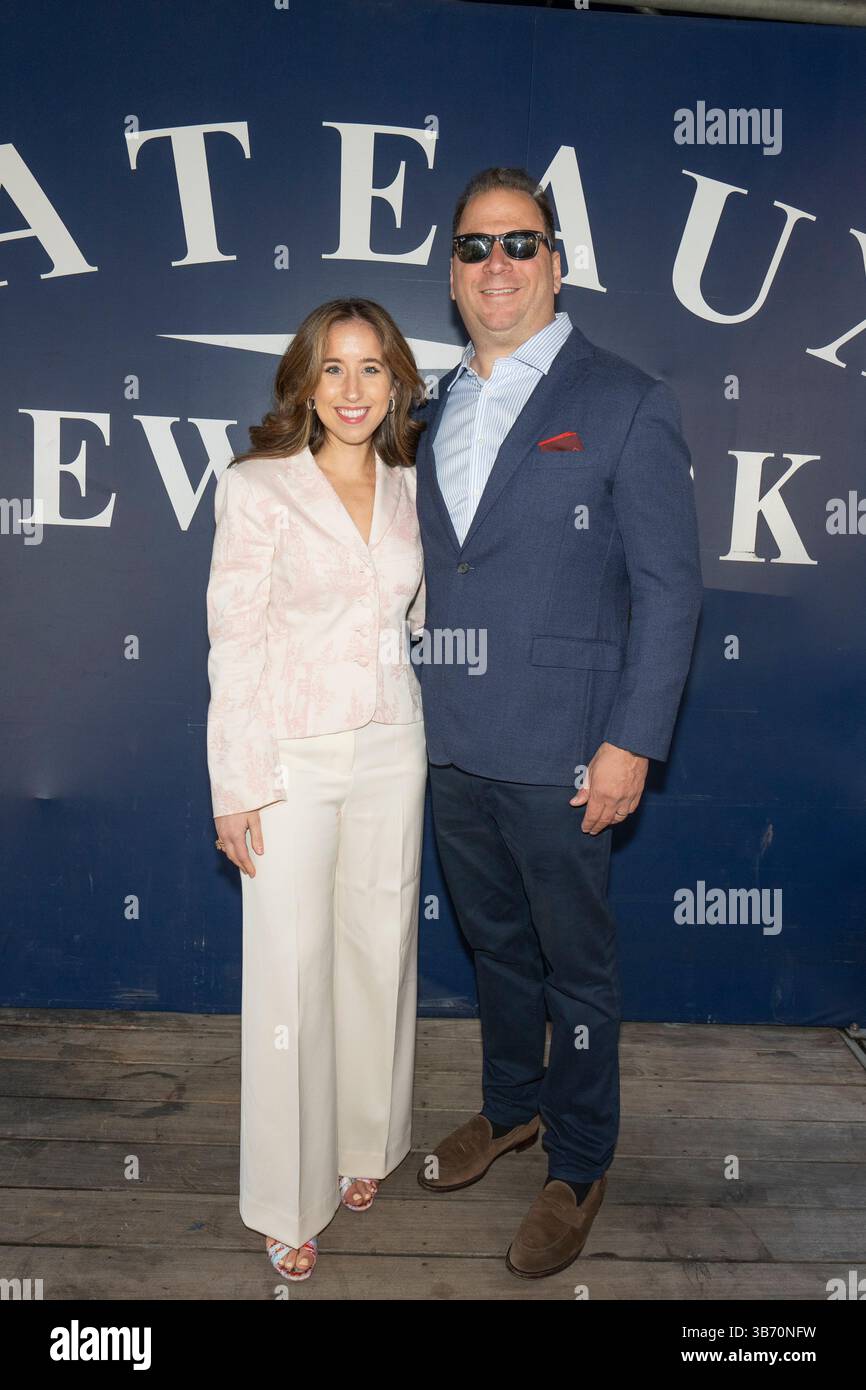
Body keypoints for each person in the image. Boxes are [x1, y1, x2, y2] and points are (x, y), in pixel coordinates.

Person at [413, 168, 703, 1278]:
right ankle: (511, 1108)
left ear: (555, 262)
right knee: (493, 950)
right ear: (451, 272)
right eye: (476, 248)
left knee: (575, 973)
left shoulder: (623, 398)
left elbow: (669, 590)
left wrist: (630, 741)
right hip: (450, 741)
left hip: (569, 748)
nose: (498, 266)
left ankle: (577, 1162)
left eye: (519, 245)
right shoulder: (434, 405)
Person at [206, 298, 428, 1281]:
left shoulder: (406, 480)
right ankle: (284, 1198)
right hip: (289, 755)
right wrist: (236, 784)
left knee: (378, 949)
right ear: (303, 381)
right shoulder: (257, 488)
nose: (351, 389)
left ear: (395, 384)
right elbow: (234, 643)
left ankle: (361, 1144)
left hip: (391, 745)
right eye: (332, 369)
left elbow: (413, 609)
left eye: (370, 368)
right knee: (290, 973)